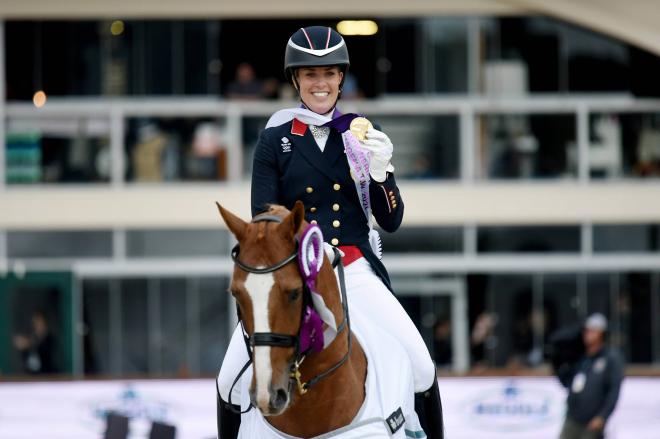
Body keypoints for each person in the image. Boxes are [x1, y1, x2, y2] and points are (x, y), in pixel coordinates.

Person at [216, 26, 443, 438]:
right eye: (309, 75)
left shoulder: (361, 135)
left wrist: (380, 174)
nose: (320, 83)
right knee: (228, 381)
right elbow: (263, 222)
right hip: (295, 277)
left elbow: (391, 220)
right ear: (295, 81)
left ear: (341, 78)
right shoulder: (274, 140)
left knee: (422, 366)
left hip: (353, 270)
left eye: (329, 74)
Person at [556, 313, 624, 439]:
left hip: (593, 419)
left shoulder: (610, 358)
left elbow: (614, 390)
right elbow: (568, 382)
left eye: (592, 331)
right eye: (586, 331)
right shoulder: (581, 357)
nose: (587, 334)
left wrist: (602, 416)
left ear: (601, 333)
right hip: (573, 417)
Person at [12, 310, 56, 374]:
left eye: (39, 322)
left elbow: (44, 350)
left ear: (44, 322)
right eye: (34, 322)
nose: (37, 325)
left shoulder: (49, 338)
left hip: (47, 375)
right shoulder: (32, 337)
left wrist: (29, 343)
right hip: (31, 376)